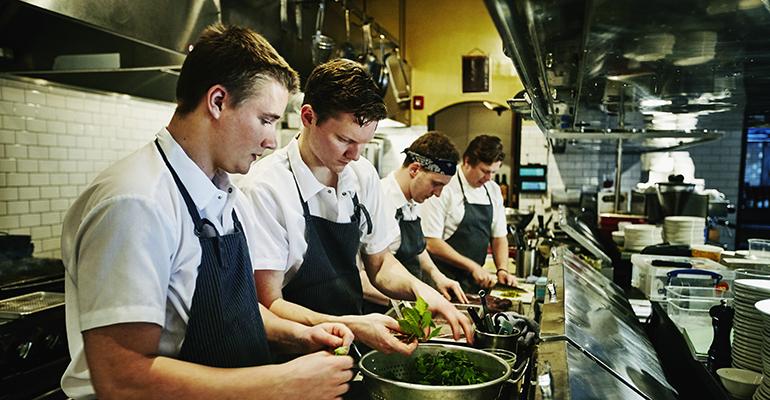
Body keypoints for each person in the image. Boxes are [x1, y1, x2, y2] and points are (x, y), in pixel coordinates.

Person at [60, 24, 355, 400]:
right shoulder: (135, 202)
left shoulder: (220, 191)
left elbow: (231, 312)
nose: (270, 140)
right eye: (266, 120)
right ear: (217, 101)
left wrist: (301, 335)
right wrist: (281, 385)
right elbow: (122, 377)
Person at [239, 59, 473, 355]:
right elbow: (269, 304)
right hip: (293, 356)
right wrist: (350, 325)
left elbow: (379, 263)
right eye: (344, 139)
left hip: (349, 344)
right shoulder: (267, 188)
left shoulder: (362, 175)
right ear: (309, 118)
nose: (354, 155)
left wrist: (420, 290)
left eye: (364, 143)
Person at [361, 132, 469, 313]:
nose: (438, 194)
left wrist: (437, 276)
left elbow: (418, 249)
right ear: (414, 169)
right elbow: (361, 277)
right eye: (436, 184)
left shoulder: (412, 200)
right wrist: (413, 301)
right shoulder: (378, 201)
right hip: (380, 311)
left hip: (409, 305)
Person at [421, 135, 518, 293]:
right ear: (467, 161)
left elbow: (499, 237)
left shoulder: (492, 190)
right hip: (442, 280)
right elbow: (431, 242)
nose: (488, 178)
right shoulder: (444, 186)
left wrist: (502, 270)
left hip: (475, 282)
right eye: (485, 171)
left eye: (493, 172)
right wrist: (472, 266)